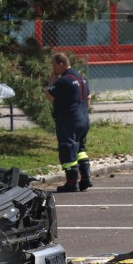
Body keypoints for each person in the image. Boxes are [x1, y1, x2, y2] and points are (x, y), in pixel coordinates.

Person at [46, 52, 93, 192]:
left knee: (67, 149)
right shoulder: (81, 78)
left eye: (54, 65)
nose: (53, 69)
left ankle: (72, 183)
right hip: (83, 118)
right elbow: (88, 98)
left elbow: (49, 95)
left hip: (69, 120)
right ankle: (86, 178)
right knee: (80, 149)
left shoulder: (64, 80)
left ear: (61, 64)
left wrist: (52, 80)